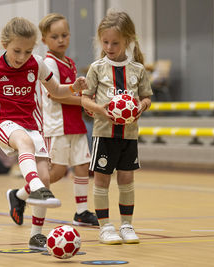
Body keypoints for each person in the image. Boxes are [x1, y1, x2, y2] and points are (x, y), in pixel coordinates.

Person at [0, 17, 87, 250]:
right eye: (17, 51)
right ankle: (35, 187)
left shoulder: (36, 63)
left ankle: (35, 233)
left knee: (45, 177)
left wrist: (74, 88)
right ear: (5, 44)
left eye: (27, 51)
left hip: (33, 124)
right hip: (4, 122)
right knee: (25, 145)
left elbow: (55, 90)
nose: (22, 57)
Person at [81, 11, 152, 245]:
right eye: (105, 42)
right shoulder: (97, 68)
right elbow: (85, 99)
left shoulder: (138, 70)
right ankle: (105, 227)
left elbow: (146, 98)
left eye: (115, 42)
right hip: (104, 134)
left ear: (128, 41)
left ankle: (127, 225)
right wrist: (100, 109)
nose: (109, 47)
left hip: (129, 135)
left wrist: (140, 106)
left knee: (126, 179)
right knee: (102, 180)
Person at [38, 13, 98, 226]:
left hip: (75, 124)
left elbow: (74, 93)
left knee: (82, 166)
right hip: (58, 126)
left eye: (64, 35)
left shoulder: (70, 63)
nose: (61, 40)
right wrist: (84, 102)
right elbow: (55, 94)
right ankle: (22, 193)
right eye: (55, 36)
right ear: (44, 40)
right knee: (57, 172)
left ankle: (81, 211)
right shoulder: (49, 63)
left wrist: (87, 100)